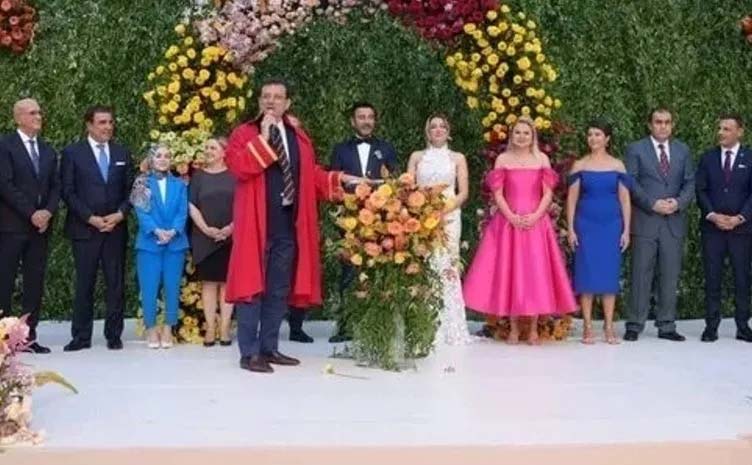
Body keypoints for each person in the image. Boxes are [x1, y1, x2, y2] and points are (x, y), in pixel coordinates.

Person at [225, 79, 361, 374]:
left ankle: (269, 347)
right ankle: (249, 354)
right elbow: (238, 167)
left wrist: (339, 180)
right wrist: (263, 139)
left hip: (288, 224)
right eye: (266, 96)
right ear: (259, 101)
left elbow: (308, 174)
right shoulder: (244, 133)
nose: (271, 101)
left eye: (278, 97)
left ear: (287, 104)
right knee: (251, 289)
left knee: (278, 290)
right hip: (256, 226)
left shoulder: (297, 136)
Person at [463, 116, 576, 345]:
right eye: (517, 132)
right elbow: (498, 194)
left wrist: (535, 215)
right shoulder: (503, 159)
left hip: (536, 223)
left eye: (526, 133)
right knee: (511, 272)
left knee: (534, 273)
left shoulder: (541, 159)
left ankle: (533, 329)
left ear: (533, 136)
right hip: (508, 223)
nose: (521, 137)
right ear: (511, 135)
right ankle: (513, 328)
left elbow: (547, 194)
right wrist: (511, 216)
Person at [61, 105, 132, 351]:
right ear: (89, 125)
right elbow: (67, 191)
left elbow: (131, 189)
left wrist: (120, 214)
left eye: (110, 122)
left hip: (115, 229)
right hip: (85, 229)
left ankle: (114, 335)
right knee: (85, 284)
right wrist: (90, 218)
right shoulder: (72, 152)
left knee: (115, 284)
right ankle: (81, 337)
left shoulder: (122, 152)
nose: (108, 127)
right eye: (102, 122)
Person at [327, 101, 398, 343]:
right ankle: (345, 326)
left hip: (379, 219)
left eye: (370, 117)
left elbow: (394, 181)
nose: (366, 121)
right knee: (348, 271)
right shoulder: (340, 149)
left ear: (375, 121)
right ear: (353, 121)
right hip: (349, 220)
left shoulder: (386, 148)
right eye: (361, 117)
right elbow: (333, 181)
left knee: (378, 270)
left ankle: (378, 325)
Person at [624, 108, 694, 342]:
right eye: (658, 122)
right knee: (640, 274)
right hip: (646, 220)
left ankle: (666, 325)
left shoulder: (683, 150)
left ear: (672, 125)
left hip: (673, 222)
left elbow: (689, 183)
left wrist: (678, 203)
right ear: (649, 124)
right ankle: (635, 324)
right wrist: (652, 203)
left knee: (670, 275)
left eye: (667, 122)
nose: (663, 126)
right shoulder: (636, 149)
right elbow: (631, 182)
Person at [0, 98, 61, 354]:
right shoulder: (5, 146)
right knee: (4, 281)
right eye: (32, 112)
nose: (39, 116)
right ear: (18, 118)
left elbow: (56, 186)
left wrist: (47, 212)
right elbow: (5, 185)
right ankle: (4, 340)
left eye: (39, 112)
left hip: (39, 228)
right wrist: (32, 213)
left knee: (34, 283)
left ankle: (28, 337)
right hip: (12, 227)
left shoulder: (47, 151)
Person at [407, 114, 472, 345]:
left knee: (447, 264)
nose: (438, 130)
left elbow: (463, 192)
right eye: (433, 126)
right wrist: (422, 210)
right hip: (422, 216)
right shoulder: (417, 157)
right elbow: (408, 187)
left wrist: (444, 210)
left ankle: (451, 325)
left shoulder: (457, 158)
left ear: (448, 131)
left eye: (442, 126)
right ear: (427, 131)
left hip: (449, 216)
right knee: (424, 264)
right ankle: (424, 324)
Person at [567, 119, 632, 344]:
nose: (593, 138)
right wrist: (571, 229)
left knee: (609, 276)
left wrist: (626, 230)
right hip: (586, 225)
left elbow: (625, 200)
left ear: (607, 139)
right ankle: (587, 326)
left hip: (611, 226)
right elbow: (571, 200)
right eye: (590, 134)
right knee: (586, 276)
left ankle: (609, 326)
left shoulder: (617, 166)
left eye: (597, 134)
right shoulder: (580, 165)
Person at [695, 113, 752, 343]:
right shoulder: (707, 158)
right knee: (712, 278)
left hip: (742, 230)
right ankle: (711, 326)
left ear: (740, 132)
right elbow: (700, 190)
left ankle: (743, 326)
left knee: (742, 278)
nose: (721, 133)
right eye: (720, 128)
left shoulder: (750, 158)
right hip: (713, 229)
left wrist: (740, 217)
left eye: (727, 129)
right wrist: (712, 215)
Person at [131, 144, 188, 349]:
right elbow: (141, 212)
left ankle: (168, 329)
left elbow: (182, 211)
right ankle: (151, 328)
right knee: (149, 288)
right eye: (159, 156)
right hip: (149, 244)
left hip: (175, 244)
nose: (163, 159)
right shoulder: (141, 182)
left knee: (172, 287)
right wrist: (156, 231)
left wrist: (173, 231)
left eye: (167, 156)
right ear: (151, 159)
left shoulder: (180, 184)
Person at [189, 137, 236, 346]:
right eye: (206, 147)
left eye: (213, 147)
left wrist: (230, 228)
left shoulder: (234, 175)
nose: (208, 150)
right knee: (208, 283)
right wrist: (206, 229)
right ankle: (210, 328)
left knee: (227, 284)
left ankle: (224, 328)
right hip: (204, 238)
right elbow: (192, 206)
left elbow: (242, 204)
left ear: (224, 152)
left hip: (230, 238)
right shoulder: (198, 177)